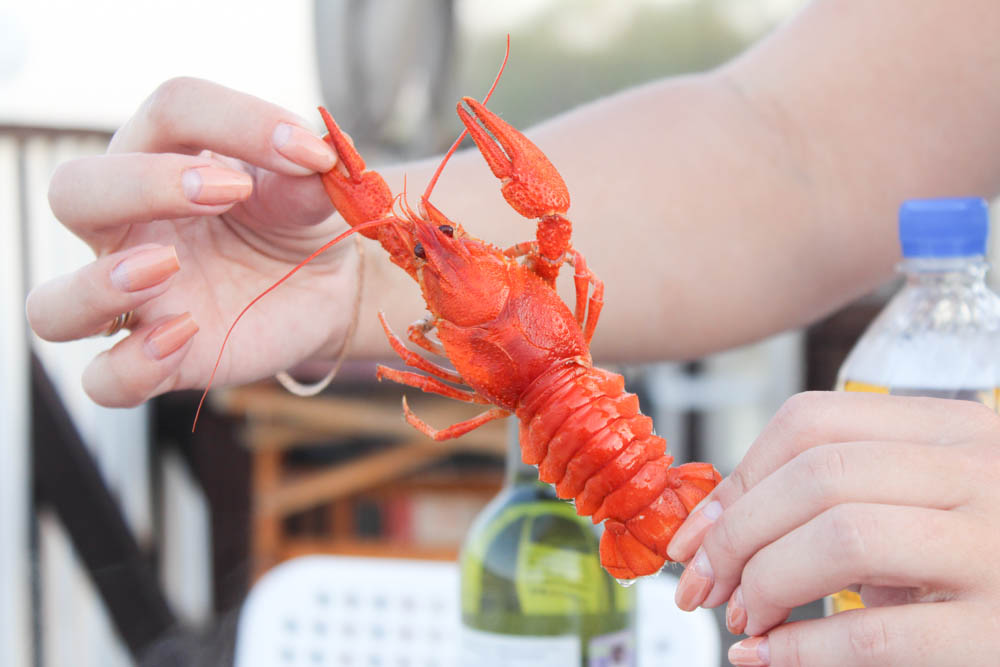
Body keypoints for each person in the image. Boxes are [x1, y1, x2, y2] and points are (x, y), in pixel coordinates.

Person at [25, 1, 1000, 664]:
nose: (429, 244)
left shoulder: (524, 306)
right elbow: (789, 144)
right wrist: (346, 267)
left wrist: (402, 255)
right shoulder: (539, 280)